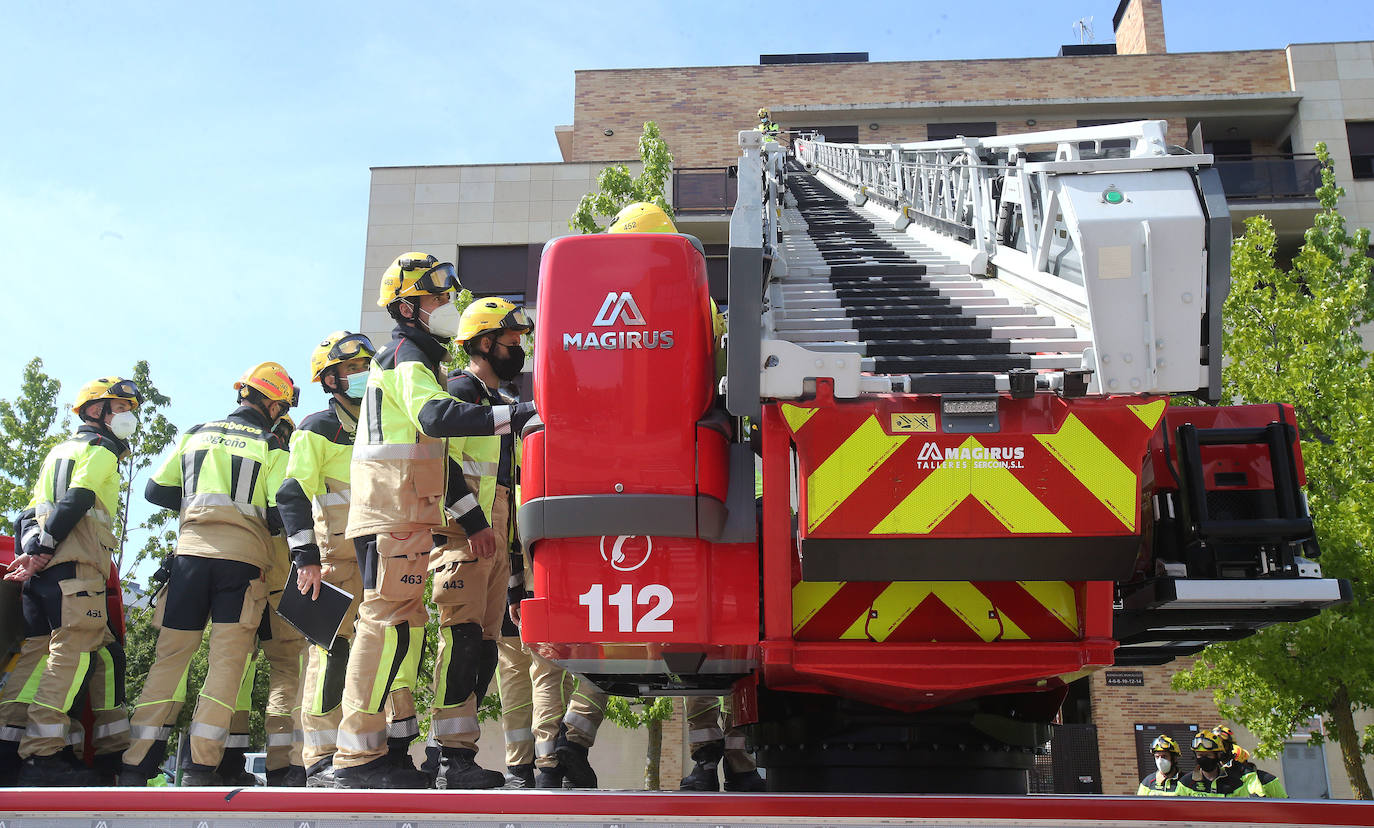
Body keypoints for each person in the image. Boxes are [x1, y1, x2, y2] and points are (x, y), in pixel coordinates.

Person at [333, 252, 536, 789]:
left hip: (410, 511)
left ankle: (384, 753)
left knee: (405, 632)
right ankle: (358, 758)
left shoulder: (420, 359)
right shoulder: (405, 355)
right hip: (392, 508)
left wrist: (475, 524)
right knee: (387, 629)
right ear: (405, 305)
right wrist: (514, 415)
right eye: (437, 296)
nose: (448, 305)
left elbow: (438, 454)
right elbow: (435, 419)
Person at [119, 363, 296, 786]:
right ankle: (201, 767)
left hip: (189, 559)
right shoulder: (271, 443)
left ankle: (135, 764)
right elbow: (279, 511)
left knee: (170, 659)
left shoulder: (196, 432)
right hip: (242, 564)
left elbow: (155, 491)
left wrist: (198, 508)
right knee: (226, 663)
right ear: (273, 404)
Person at [277, 330, 418, 788]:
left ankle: (389, 748)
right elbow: (291, 492)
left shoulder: (383, 418)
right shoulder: (317, 428)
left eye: (364, 367)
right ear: (330, 380)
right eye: (350, 370)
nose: (361, 376)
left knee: (392, 649)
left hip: (383, 551)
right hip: (334, 559)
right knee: (331, 653)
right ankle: (319, 756)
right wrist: (305, 558)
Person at [2, 377, 141, 785]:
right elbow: (79, 498)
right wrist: (44, 550)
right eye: (119, 407)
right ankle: (41, 757)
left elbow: (26, 515)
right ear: (96, 411)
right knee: (71, 655)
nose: (127, 417)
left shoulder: (57, 452)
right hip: (75, 568)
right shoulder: (102, 450)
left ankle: (8, 749)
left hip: (43, 576)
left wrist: (31, 552)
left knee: (35, 658)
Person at [679, 696, 764, 792]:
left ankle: (706, 768)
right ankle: (741, 768)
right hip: (745, 772)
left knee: (700, 688)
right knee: (738, 693)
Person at [1213, 724, 1287, 798]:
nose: (1221, 751)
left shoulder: (1267, 779)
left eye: (1223, 745)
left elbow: (1285, 804)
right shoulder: (1212, 777)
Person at [1176, 730, 1249, 797]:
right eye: (1200, 755)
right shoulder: (1186, 783)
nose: (1204, 759)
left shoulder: (1236, 784)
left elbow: (1245, 808)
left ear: (1218, 755)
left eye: (1208, 755)